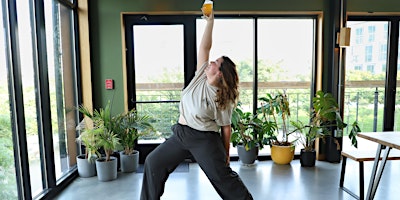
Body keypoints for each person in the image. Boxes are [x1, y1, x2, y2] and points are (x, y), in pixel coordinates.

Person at [140, 6, 253, 200]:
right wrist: (210, 22)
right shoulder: (200, 76)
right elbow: (204, 48)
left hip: (204, 140)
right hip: (181, 134)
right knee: (153, 163)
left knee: (222, 178)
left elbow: (226, 128)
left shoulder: (221, 98)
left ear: (220, 74)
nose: (211, 63)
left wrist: (225, 155)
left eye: (215, 63)